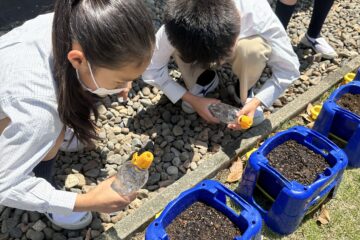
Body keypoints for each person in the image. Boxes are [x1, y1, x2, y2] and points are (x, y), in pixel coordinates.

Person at [0, 0, 154, 230]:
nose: (127, 86)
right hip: (21, 107)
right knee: (51, 137)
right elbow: (5, 184)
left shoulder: (70, 22)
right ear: (77, 59)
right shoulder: (40, 112)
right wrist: (83, 202)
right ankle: (46, 191)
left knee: (53, 129)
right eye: (120, 80)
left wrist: (115, 80)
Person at [143, 0, 300, 130]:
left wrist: (258, 101)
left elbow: (289, 69)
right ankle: (203, 79)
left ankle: (243, 91)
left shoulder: (258, 14)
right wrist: (192, 100)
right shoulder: (178, 21)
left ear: (238, 18)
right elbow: (151, 69)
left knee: (252, 50)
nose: (219, 63)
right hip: (197, 34)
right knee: (182, 43)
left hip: (245, 42)